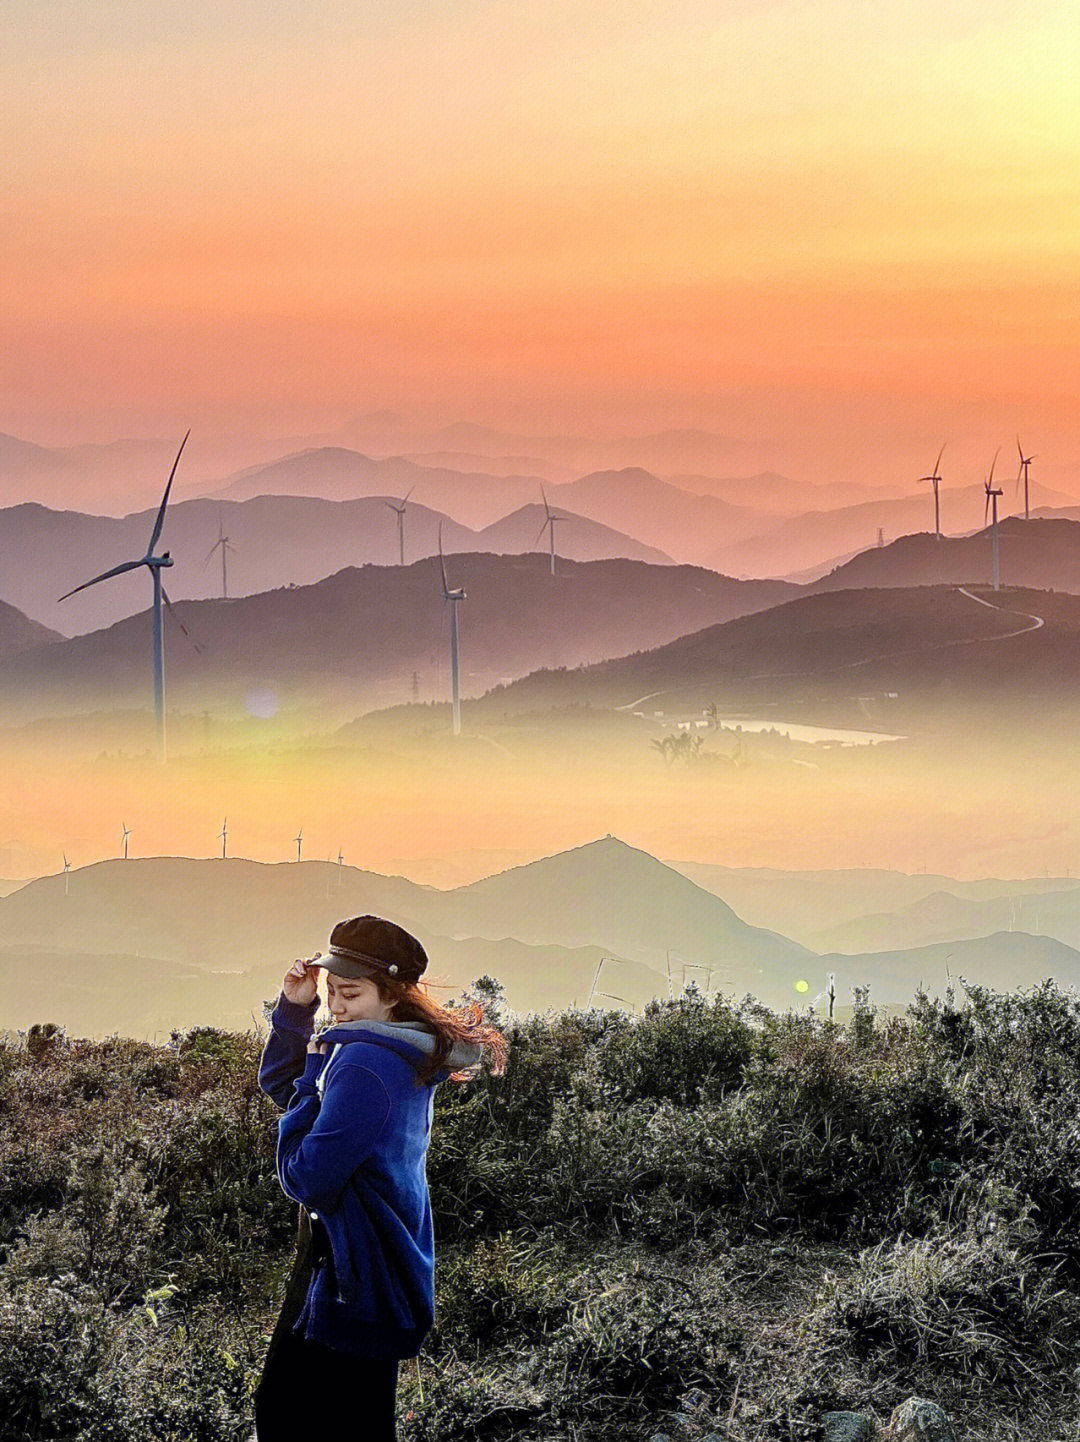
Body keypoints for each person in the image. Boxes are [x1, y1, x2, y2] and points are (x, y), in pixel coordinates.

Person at [254, 915, 507, 1442]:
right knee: (351, 1420)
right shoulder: (394, 1047)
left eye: (350, 993)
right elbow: (285, 1085)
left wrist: (310, 1075)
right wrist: (297, 1013)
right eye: (330, 993)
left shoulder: (366, 1062)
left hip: (355, 1265)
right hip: (373, 1257)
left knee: (290, 1415)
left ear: (391, 995)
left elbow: (306, 1179)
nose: (337, 1007)